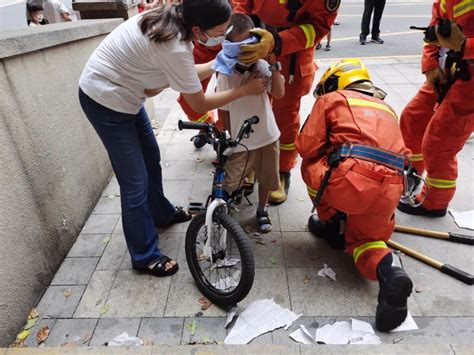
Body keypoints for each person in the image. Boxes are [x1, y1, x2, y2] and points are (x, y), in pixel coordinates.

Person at [78, 0, 267, 277]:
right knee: (135, 182)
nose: (223, 34)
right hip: (104, 100)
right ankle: (144, 255)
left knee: (151, 157)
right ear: (197, 27)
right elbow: (201, 103)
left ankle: (162, 214)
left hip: (126, 93)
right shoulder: (175, 46)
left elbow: (179, 75)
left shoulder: (173, 20)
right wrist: (244, 90)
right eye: (220, 29)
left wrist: (217, 63)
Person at [296, 59, 413, 332]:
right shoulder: (388, 108)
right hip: (392, 187)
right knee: (367, 242)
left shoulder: (331, 100)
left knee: (312, 162)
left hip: (350, 183)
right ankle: (390, 273)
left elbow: (306, 146)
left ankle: (331, 224)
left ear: (335, 83)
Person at [230, 0, 339, 205]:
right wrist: (244, 29)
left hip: (291, 55)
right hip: (253, 42)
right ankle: (252, 162)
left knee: (285, 117)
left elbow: (317, 26)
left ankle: (281, 171)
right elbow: (242, 3)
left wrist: (276, 42)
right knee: (251, 109)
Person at [397, 0, 473, 217]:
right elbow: (433, 34)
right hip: (448, 69)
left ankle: (435, 203)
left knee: (440, 141)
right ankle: (413, 173)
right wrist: (430, 66)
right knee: (413, 118)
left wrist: (463, 46)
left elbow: (454, 39)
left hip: (470, 83)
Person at [215, 13, 285, 233]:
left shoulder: (262, 66)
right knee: (232, 177)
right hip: (240, 138)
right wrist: (227, 137)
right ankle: (222, 207)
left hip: (266, 134)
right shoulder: (226, 73)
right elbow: (223, 108)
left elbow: (280, 93)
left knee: (267, 177)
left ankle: (261, 209)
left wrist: (273, 64)